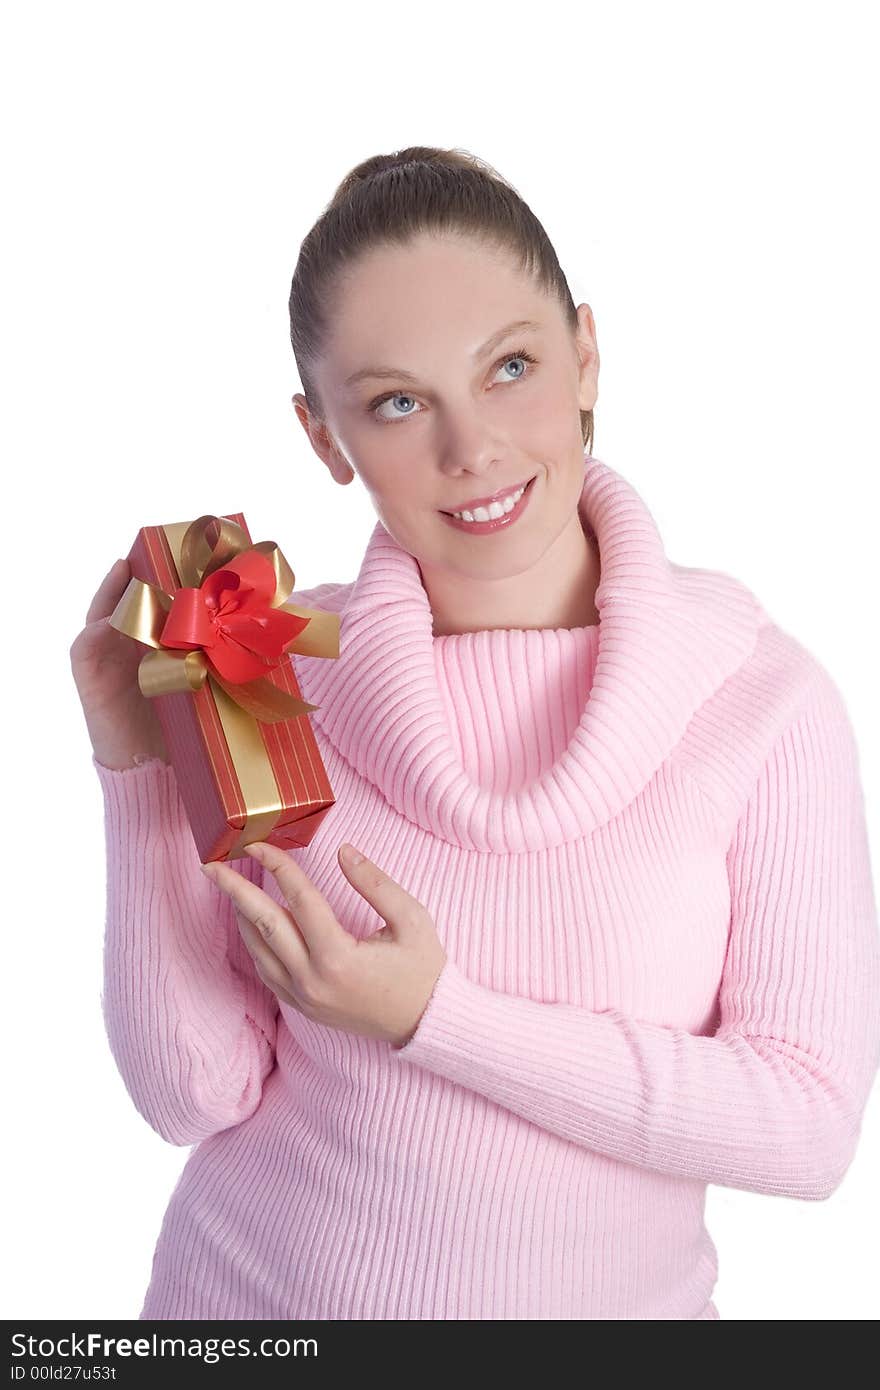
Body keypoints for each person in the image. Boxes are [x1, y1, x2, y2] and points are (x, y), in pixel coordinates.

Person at [71, 146, 880, 1321]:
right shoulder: (265, 667)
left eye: (510, 367)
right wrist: (136, 767)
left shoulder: (756, 700)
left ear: (586, 354)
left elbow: (805, 1129)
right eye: (398, 402)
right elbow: (193, 1093)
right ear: (324, 438)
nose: (472, 450)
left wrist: (433, 1018)